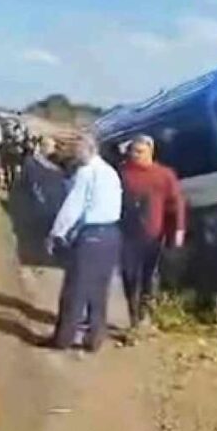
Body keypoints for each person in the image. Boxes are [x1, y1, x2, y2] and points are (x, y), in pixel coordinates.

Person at [45, 132, 123, 352]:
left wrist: (56, 233)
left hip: (91, 236)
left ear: (88, 150)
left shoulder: (86, 173)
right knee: (99, 290)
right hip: (112, 235)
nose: (75, 154)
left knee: (75, 289)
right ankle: (95, 338)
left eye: (77, 150)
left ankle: (63, 339)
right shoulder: (110, 172)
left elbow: (73, 206)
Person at [119, 134, 186, 328]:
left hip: (154, 235)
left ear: (151, 152)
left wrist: (178, 231)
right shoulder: (122, 172)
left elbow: (176, 204)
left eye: (140, 152)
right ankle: (133, 313)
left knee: (149, 275)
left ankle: (145, 312)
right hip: (127, 234)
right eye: (133, 151)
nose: (135, 155)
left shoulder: (164, 175)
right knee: (129, 275)